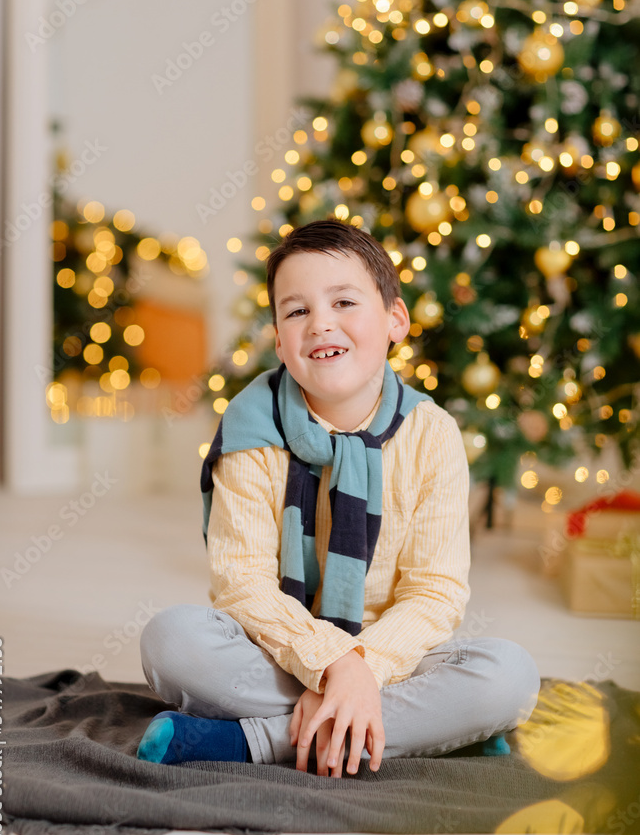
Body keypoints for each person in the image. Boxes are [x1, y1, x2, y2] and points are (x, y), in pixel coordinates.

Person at [137, 218, 540, 777]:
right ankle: (421, 731)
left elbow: (435, 592)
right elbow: (242, 583)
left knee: (509, 677)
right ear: (279, 339)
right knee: (172, 643)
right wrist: (331, 665)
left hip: (393, 659)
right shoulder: (253, 429)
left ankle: (260, 742)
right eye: (297, 311)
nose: (321, 324)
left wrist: (362, 668)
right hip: (277, 652)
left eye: (344, 302)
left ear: (395, 320)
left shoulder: (433, 434)